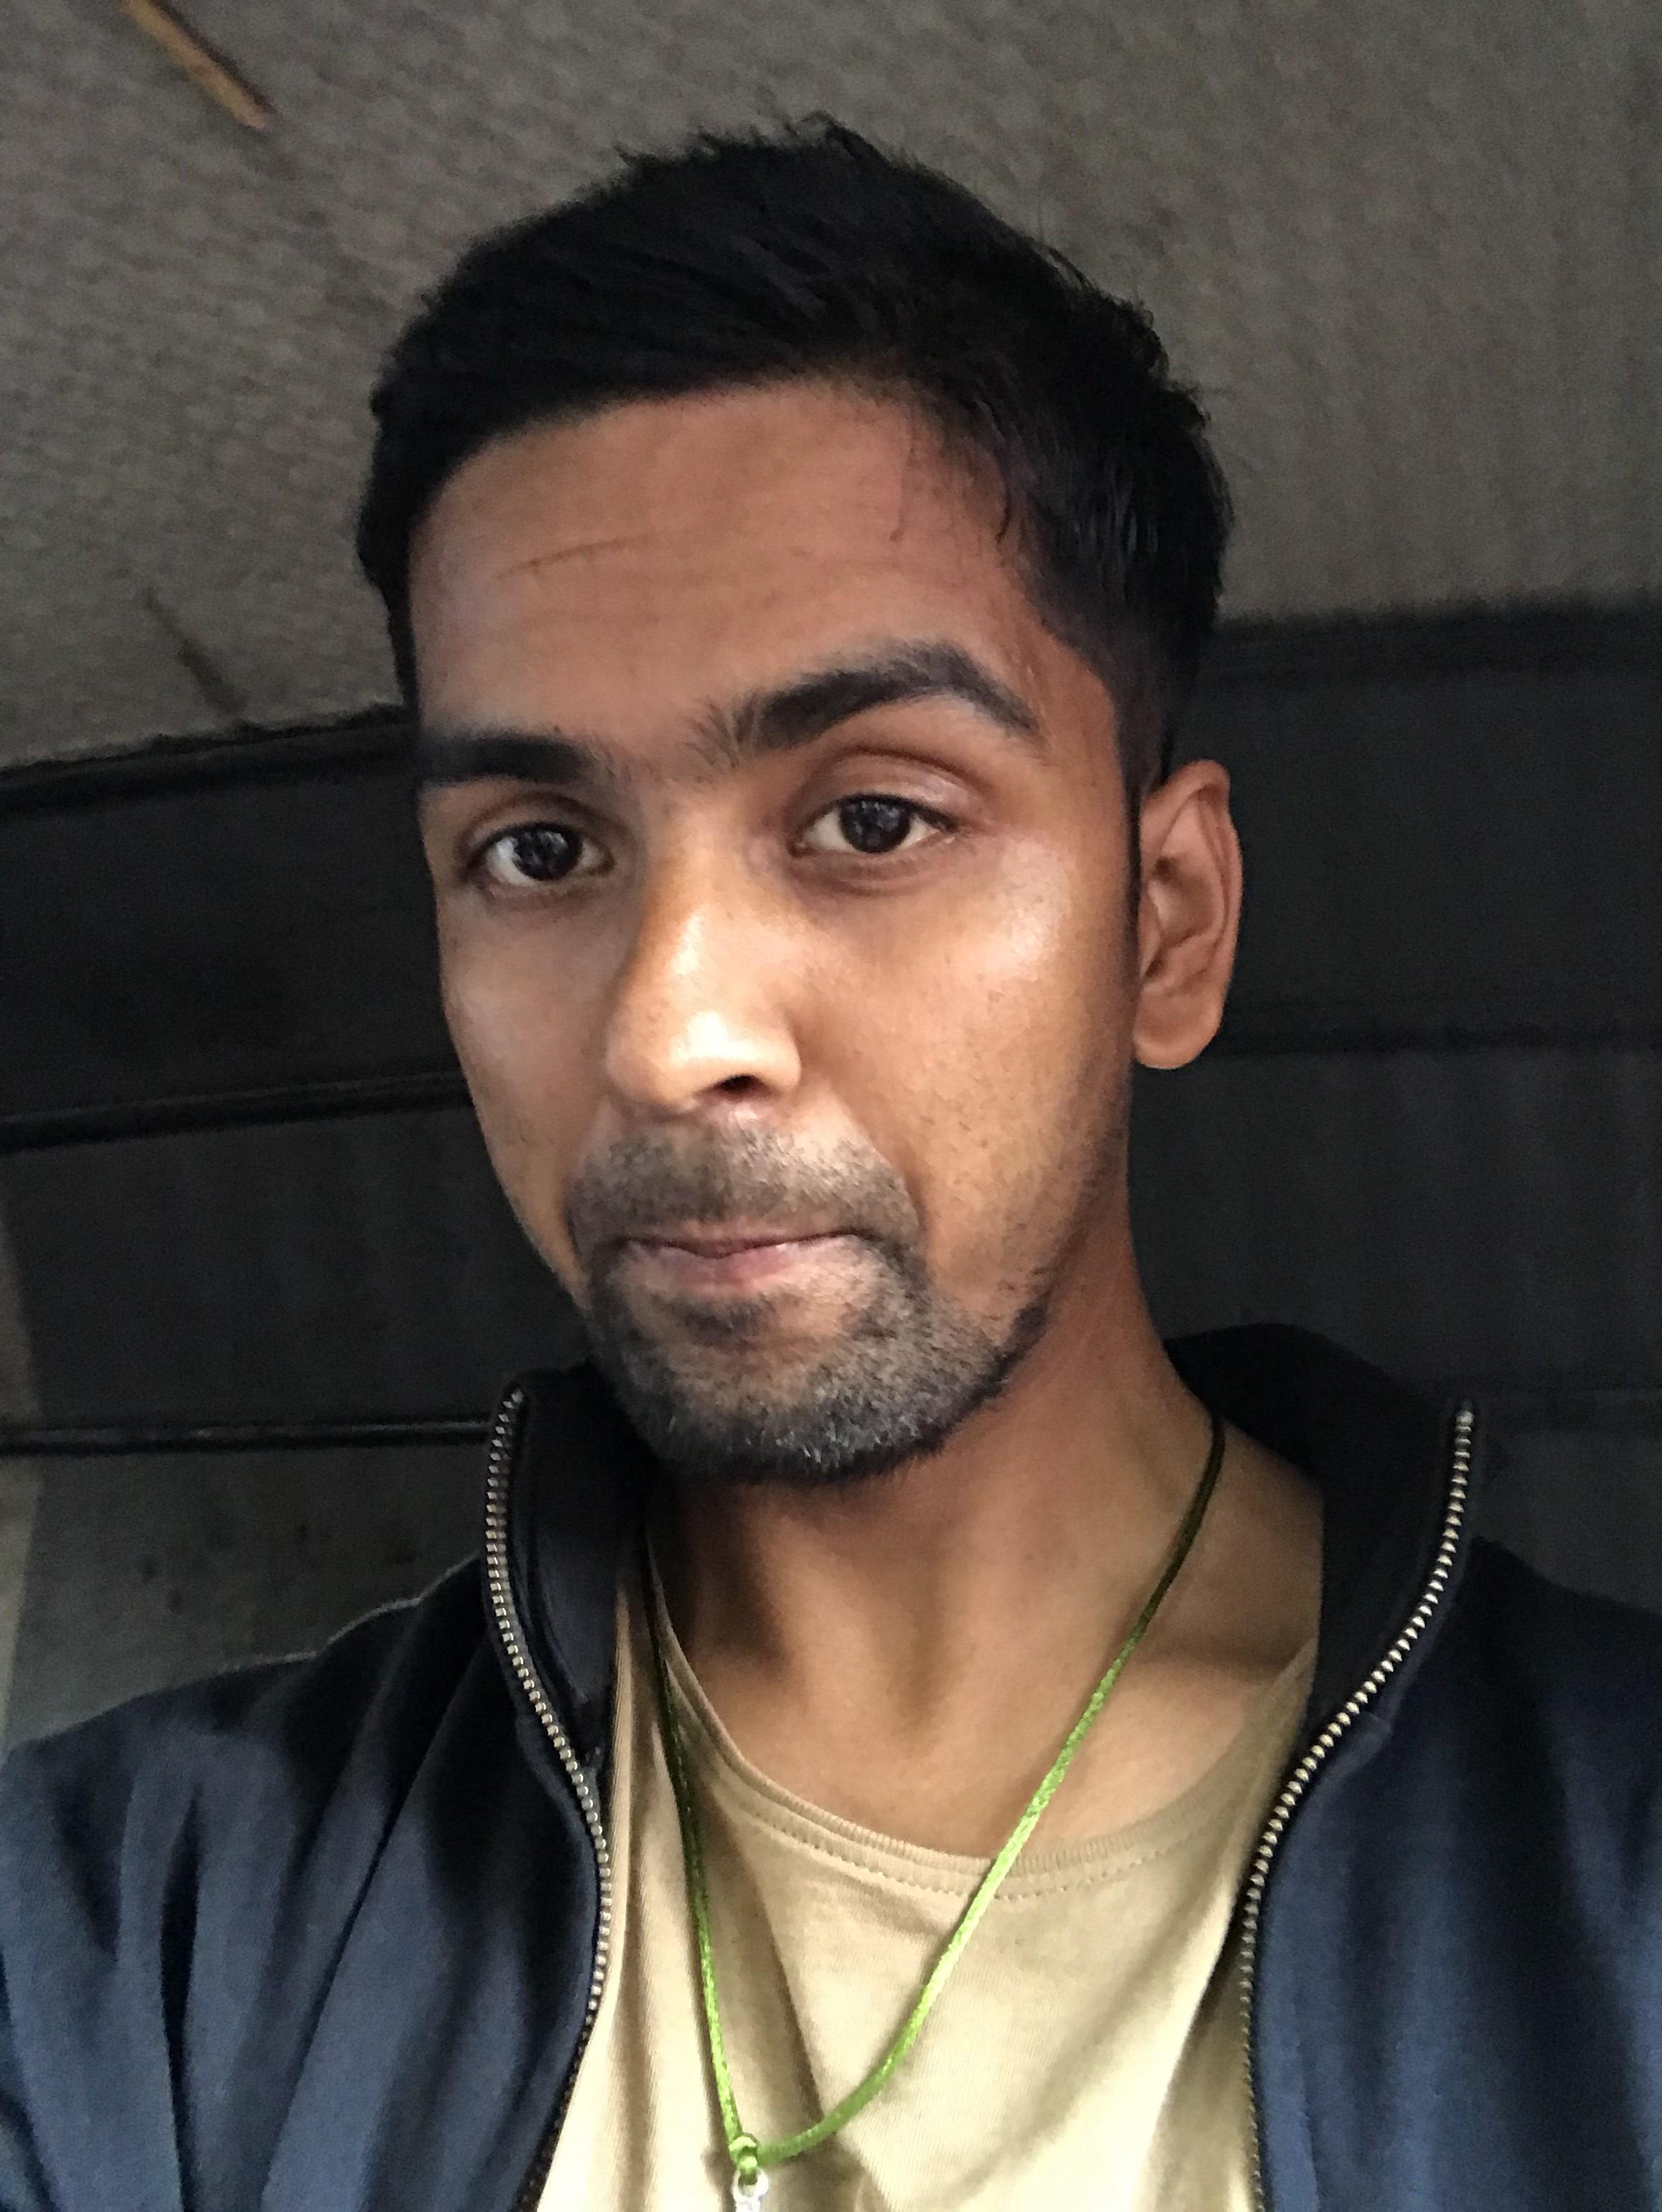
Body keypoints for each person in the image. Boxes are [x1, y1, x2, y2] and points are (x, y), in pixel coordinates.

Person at [1, 117, 1658, 2212]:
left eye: (874, 819)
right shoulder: (132, 1942)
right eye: (539, 850)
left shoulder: (1614, 1900)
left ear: (1166, 924)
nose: (667, 1033)